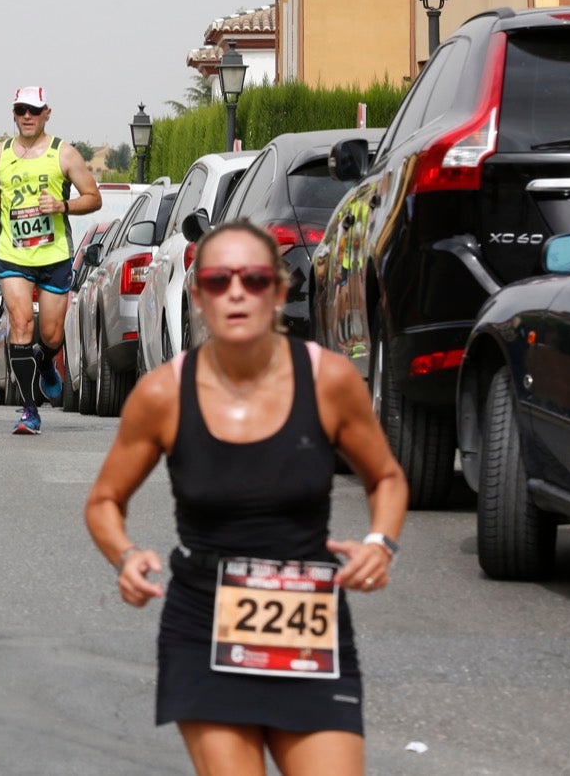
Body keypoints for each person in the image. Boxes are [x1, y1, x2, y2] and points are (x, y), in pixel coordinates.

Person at [83, 220, 408, 775]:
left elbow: (387, 478)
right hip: (203, 622)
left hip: (307, 622)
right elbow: (104, 501)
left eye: (254, 279)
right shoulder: (163, 394)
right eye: (218, 280)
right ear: (197, 295)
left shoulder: (328, 381)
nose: (236, 293)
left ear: (278, 292)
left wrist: (381, 543)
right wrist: (125, 556)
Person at [0, 85, 101, 434]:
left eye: (34, 110)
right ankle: (29, 409)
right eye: (21, 110)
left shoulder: (64, 154)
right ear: (14, 114)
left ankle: (45, 361)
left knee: (51, 334)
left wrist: (62, 205)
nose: (27, 117)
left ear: (47, 113)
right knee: (20, 325)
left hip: (54, 253)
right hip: (13, 253)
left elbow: (93, 197)